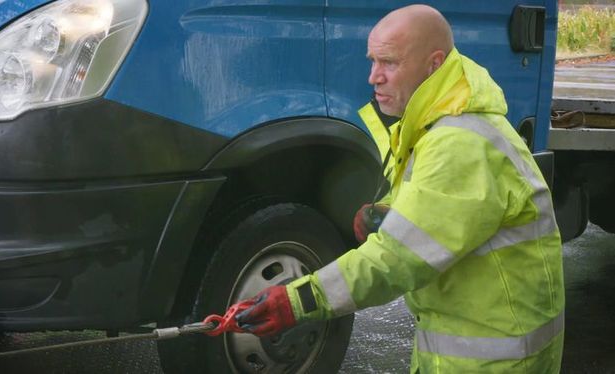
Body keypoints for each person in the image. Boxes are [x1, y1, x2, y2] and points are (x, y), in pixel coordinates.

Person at [232, 4, 565, 373]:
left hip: (492, 361)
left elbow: (396, 260)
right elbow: (443, 212)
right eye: (372, 61)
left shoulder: (460, 144)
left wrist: (296, 302)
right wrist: (391, 211)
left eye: (389, 63)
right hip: (471, 348)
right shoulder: (442, 122)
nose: (374, 77)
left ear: (434, 64)